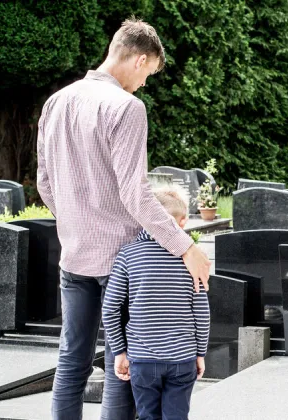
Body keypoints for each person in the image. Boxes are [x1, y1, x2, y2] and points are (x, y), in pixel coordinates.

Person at [36, 18, 211, 420]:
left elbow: (46, 183)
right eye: (148, 74)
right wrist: (187, 248)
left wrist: (79, 222)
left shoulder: (56, 101)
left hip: (74, 257)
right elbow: (136, 196)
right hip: (122, 261)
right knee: (124, 361)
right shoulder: (127, 107)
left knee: (72, 359)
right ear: (140, 59)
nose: (144, 84)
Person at [102, 187, 210, 420]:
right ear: (182, 223)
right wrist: (200, 352)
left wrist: (119, 351)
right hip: (182, 359)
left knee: (148, 416)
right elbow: (201, 312)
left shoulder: (128, 255)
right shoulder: (192, 261)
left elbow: (110, 308)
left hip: (143, 360)